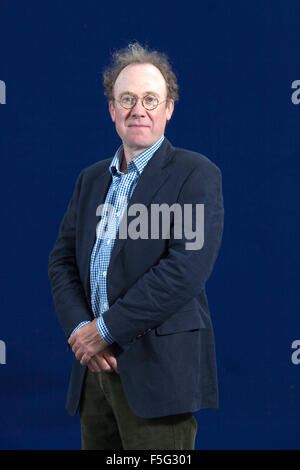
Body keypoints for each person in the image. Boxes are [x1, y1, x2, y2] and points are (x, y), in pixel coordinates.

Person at [48, 42, 224, 450]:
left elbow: (185, 270)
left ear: (168, 109)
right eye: (126, 98)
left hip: (158, 374)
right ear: (112, 109)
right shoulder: (91, 179)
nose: (137, 109)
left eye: (150, 99)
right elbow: (61, 262)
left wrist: (105, 330)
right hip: (94, 371)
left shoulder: (195, 174)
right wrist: (82, 333)